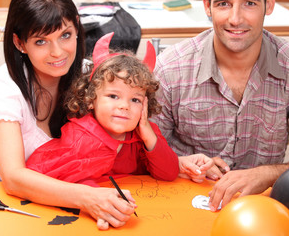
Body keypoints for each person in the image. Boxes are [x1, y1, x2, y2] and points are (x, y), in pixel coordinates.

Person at [0, 0, 137, 230]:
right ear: (19, 43)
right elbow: (13, 178)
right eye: (41, 41)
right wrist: (88, 198)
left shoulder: (92, 77)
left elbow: (124, 131)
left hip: (60, 202)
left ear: (76, 27)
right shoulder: (4, 88)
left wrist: (173, 160)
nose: (57, 52)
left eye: (65, 35)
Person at [151, 0, 289, 212]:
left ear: (269, 4)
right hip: (178, 205)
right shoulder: (169, 68)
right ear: (207, 6)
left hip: (261, 210)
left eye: (250, 3)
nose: (235, 19)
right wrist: (180, 164)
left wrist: (268, 173)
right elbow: (139, 151)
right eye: (223, 3)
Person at [26, 32, 180, 187]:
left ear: (145, 104)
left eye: (135, 100)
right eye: (113, 96)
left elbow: (169, 173)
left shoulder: (144, 134)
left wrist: (149, 136)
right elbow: (51, 178)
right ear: (91, 98)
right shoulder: (80, 137)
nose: (124, 106)